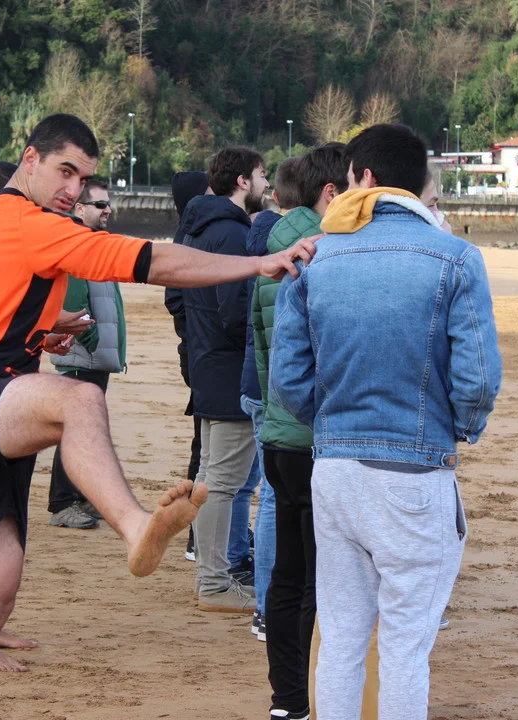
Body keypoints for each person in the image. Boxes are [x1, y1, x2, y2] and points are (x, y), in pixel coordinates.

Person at [0, 113, 315, 719]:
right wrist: (258, 264)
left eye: (83, 179)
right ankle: (135, 527)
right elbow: (152, 261)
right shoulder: (33, 225)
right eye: (65, 172)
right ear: (29, 159)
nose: (73, 189)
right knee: (80, 399)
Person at [270, 123, 502, 720]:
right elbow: (478, 378)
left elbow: (289, 380)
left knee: (341, 639)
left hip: (336, 467)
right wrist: (458, 427)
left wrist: (331, 421)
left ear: (364, 177)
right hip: (415, 469)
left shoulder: (316, 255)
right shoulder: (455, 257)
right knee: (404, 648)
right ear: (418, 183)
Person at [251, 143, 347, 719]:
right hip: (315, 438)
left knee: (287, 575)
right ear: (331, 194)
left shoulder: (274, 252)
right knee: (321, 581)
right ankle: (319, 697)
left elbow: (265, 350)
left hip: (278, 435)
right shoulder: (320, 255)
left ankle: (288, 701)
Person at [182, 147, 270, 613]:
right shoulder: (232, 233)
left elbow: (179, 298)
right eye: (261, 175)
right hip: (228, 369)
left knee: (210, 477)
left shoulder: (197, 228)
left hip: (205, 363)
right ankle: (214, 582)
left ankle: (210, 576)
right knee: (223, 481)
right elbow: (236, 311)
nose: (266, 183)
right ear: (241, 181)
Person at [242, 156, 300, 639]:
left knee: (271, 499)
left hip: (260, 389)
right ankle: (270, 607)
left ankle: (267, 608)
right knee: (279, 503)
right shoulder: (299, 251)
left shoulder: (265, 239)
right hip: (278, 399)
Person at [47, 179, 122, 530]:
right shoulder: (77, 244)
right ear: (79, 208)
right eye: (100, 204)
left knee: (87, 429)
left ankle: (79, 495)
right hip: (82, 356)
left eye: (108, 204)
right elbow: (73, 300)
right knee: (75, 430)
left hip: (92, 356)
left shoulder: (93, 243)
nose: (108, 210)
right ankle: (62, 503)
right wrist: (92, 341)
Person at [164, 170, 210, 561]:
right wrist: (197, 328)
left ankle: (203, 530)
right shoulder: (190, 237)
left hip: (194, 350)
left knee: (205, 443)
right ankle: (199, 532)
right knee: (206, 445)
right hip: (200, 352)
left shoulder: (188, 234)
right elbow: (174, 300)